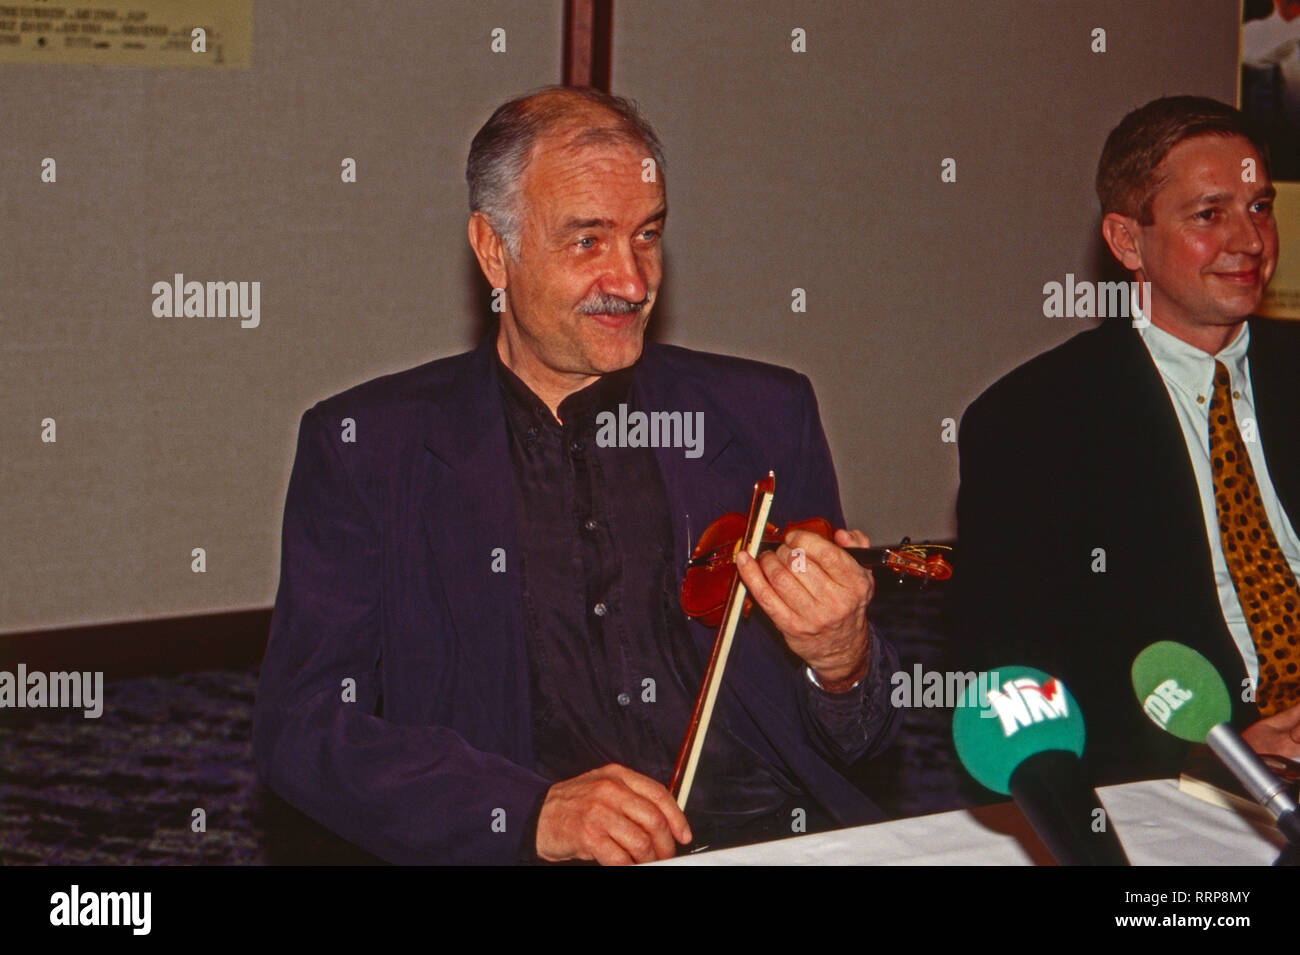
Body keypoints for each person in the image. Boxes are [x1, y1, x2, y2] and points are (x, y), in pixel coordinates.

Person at [254, 86, 901, 865]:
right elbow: (306, 730)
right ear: (495, 250)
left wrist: (843, 663)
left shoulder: (764, 414)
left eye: (647, 236)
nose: (631, 281)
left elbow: (862, 739)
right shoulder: (367, 447)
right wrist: (532, 814)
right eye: (588, 242)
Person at [951, 96, 1300, 786]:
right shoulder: (1034, 420)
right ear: (1127, 241)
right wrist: (1216, 748)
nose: (1251, 240)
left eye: (1260, 206)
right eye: (1210, 214)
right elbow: (1016, 675)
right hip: (1191, 778)